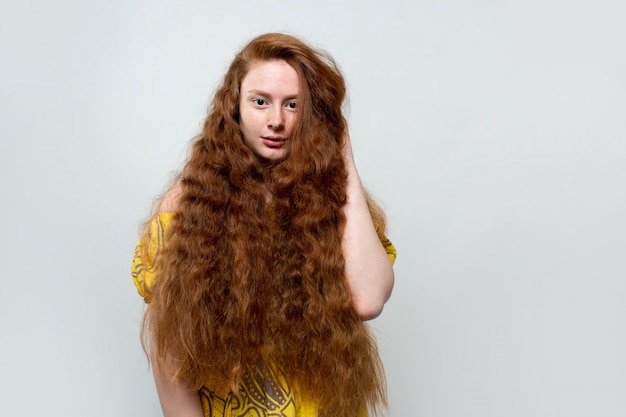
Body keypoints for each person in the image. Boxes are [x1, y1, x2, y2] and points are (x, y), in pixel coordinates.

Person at [131, 33, 396, 417]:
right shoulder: (189, 205)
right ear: (234, 108)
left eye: (294, 105)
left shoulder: (334, 204)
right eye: (260, 102)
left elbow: (369, 299)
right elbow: (168, 347)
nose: (277, 121)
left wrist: (343, 158)